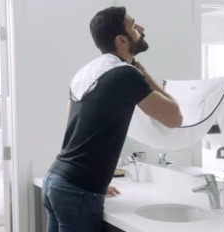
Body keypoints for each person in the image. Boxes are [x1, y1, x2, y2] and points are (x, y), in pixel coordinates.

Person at [42, 6, 182, 232]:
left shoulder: (85, 72)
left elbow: (72, 133)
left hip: (56, 180)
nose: (141, 29)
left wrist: (95, 180)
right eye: (134, 26)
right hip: (78, 189)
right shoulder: (125, 74)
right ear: (122, 40)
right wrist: (142, 72)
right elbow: (174, 117)